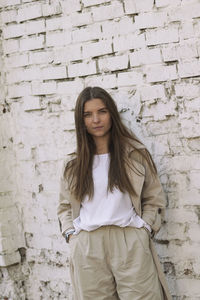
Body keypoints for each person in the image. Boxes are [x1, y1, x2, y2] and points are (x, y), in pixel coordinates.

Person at [57, 86, 171, 300]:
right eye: (88, 114)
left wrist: (145, 228)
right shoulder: (73, 164)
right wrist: (71, 234)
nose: (96, 120)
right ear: (80, 120)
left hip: (129, 239)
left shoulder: (135, 154)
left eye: (102, 111)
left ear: (112, 113)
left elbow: (154, 197)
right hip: (88, 245)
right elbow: (64, 205)